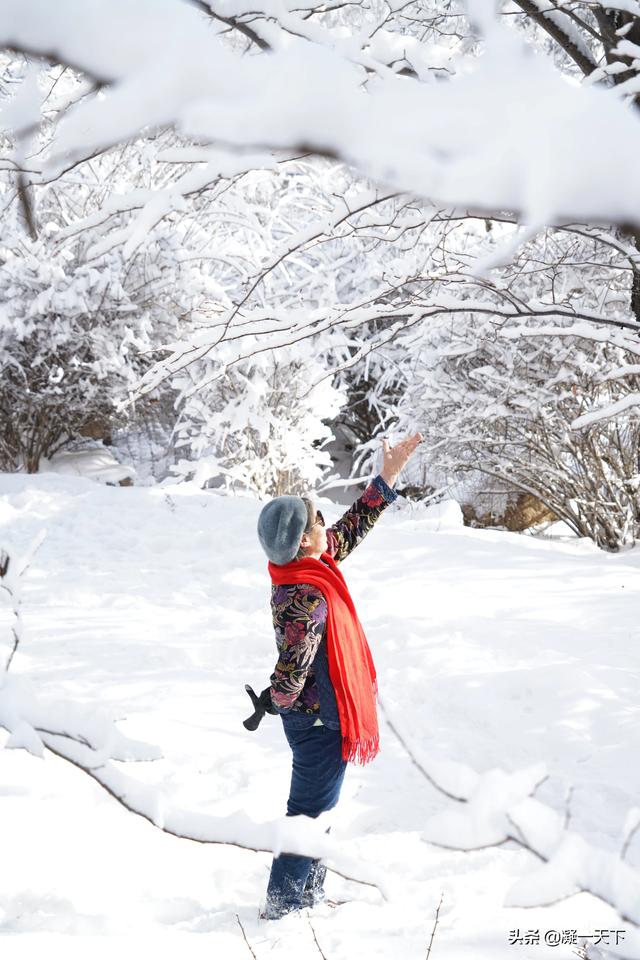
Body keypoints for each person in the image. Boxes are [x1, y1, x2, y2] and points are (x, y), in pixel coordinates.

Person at [255, 432, 423, 919]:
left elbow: (353, 526)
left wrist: (387, 476)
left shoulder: (309, 569)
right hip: (317, 723)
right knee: (306, 816)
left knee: (318, 813)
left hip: (319, 718)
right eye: (318, 521)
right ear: (306, 540)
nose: (328, 526)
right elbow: (292, 673)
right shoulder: (305, 596)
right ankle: (282, 907)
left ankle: (307, 898)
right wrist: (278, 697)